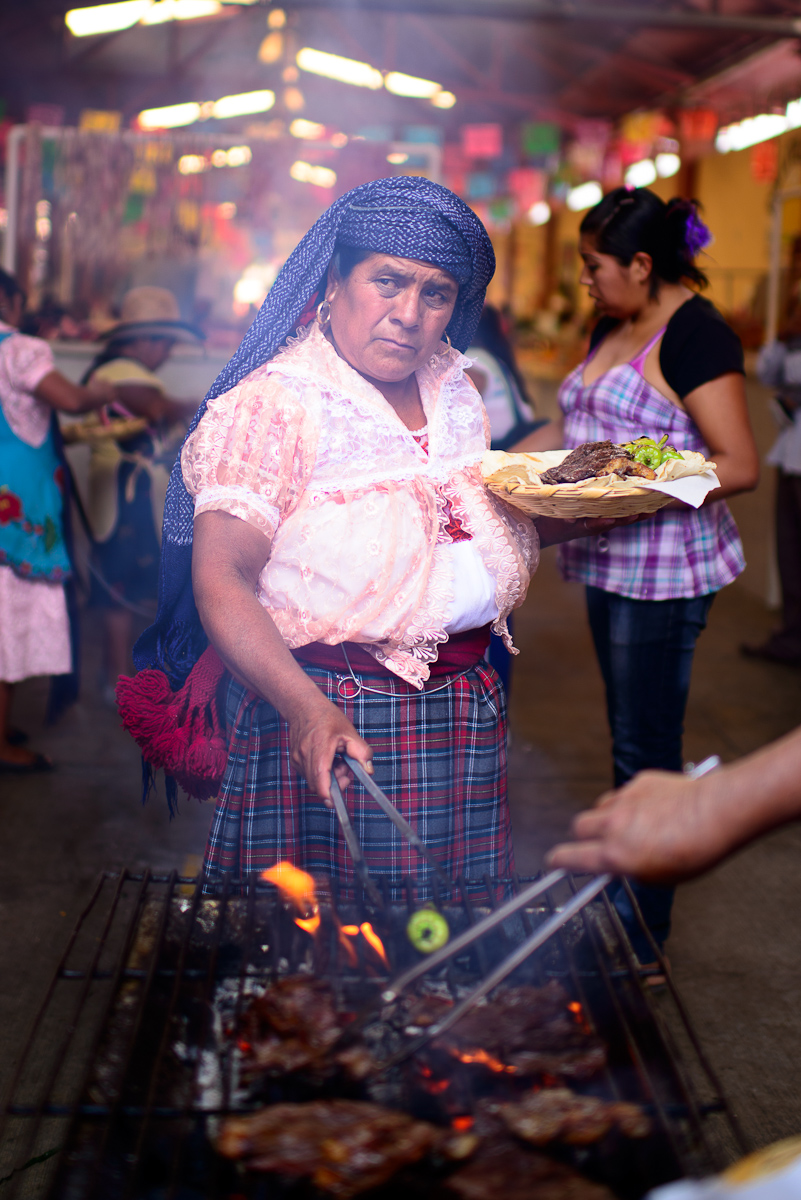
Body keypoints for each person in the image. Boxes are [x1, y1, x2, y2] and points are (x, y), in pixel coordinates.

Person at [130, 177, 616, 896]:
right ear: (335, 279)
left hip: (464, 704)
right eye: (386, 282)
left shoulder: (453, 386)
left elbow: (439, 540)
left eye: (435, 293)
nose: (409, 315)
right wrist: (304, 710)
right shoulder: (275, 405)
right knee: (314, 955)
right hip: (334, 705)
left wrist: (598, 512)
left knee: (443, 940)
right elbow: (222, 577)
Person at [515, 187, 759, 961]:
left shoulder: (695, 337)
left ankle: (639, 938)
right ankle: (629, 913)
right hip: (606, 560)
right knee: (630, 732)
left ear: (642, 264)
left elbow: (738, 464)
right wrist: (491, 459)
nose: (584, 280)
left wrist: (633, 488)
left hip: (663, 571)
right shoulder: (613, 322)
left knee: (641, 747)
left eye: (594, 266)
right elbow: (575, 426)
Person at [0, 268, 115, 771]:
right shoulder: (19, 348)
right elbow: (67, 400)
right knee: (8, 624)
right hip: (17, 506)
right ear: (9, 299)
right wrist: (101, 391)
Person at [82, 287, 201, 697]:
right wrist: (197, 404)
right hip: (123, 492)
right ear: (145, 340)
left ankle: (114, 672)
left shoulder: (114, 370)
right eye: (165, 344)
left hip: (122, 490)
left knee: (125, 583)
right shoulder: (121, 373)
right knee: (121, 587)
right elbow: (156, 407)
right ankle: (118, 679)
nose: (167, 353)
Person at [741, 319, 801, 666]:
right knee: (790, 552)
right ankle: (792, 638)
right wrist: (781, 335)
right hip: (790, 455)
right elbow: (767, 372)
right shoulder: (793, 337)